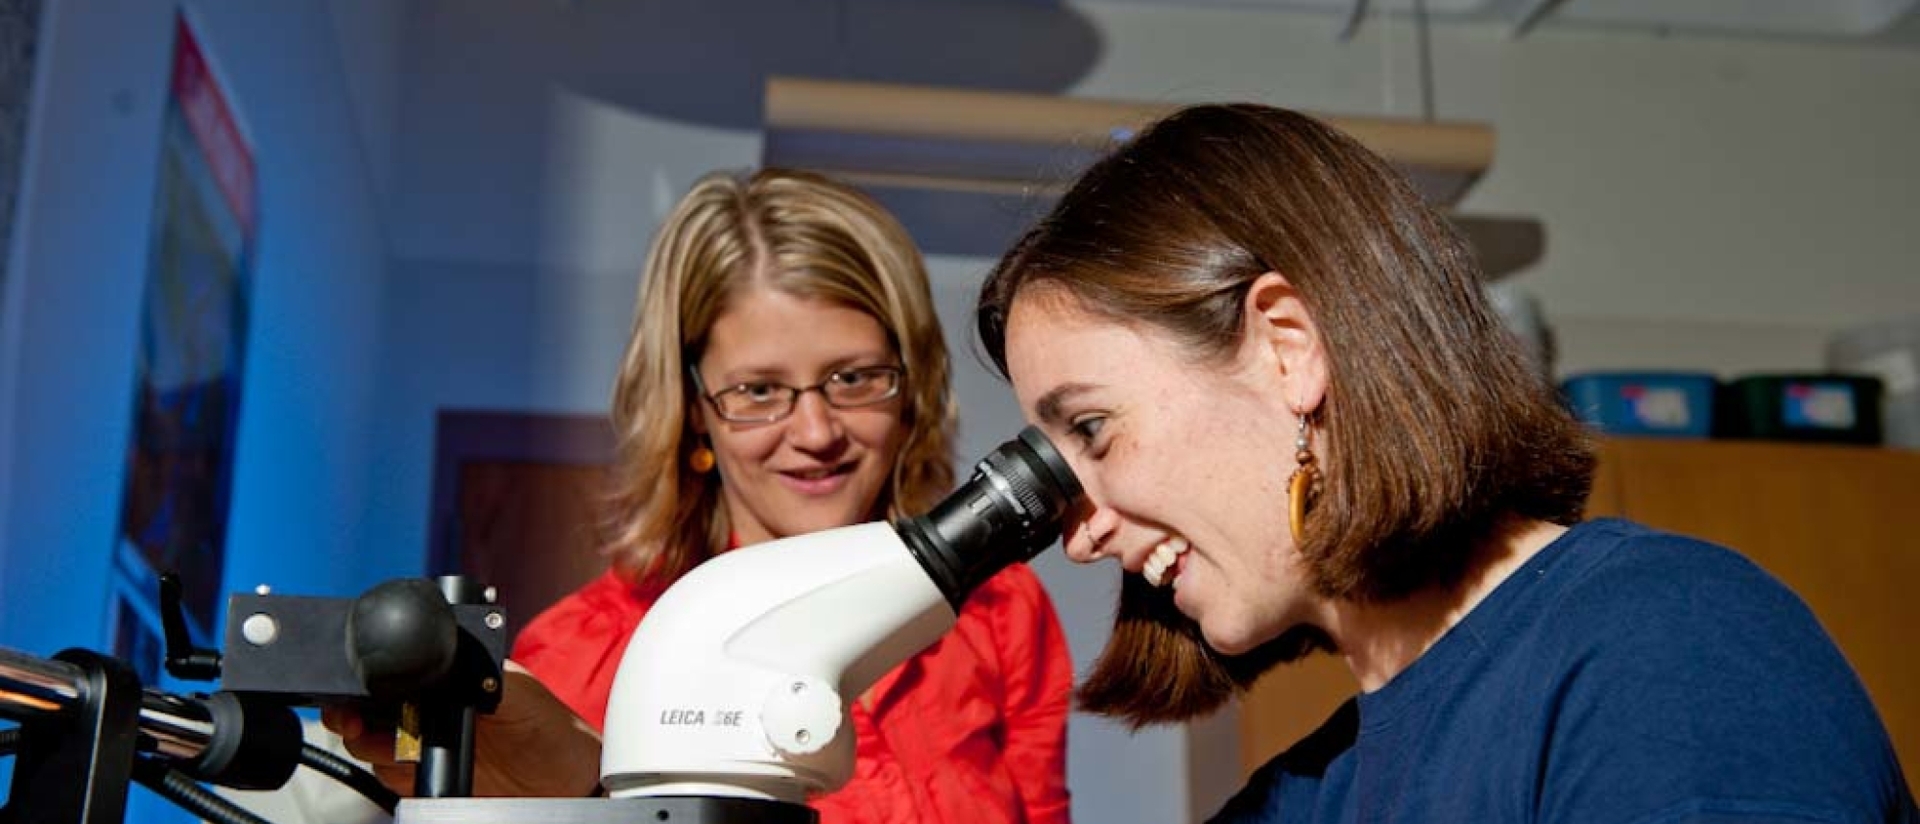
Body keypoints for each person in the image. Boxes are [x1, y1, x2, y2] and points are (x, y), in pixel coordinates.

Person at [973, 103, 1919, 823]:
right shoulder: (1306, 797)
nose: (1079, 532)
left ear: (1287, 346)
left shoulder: (1667, 648)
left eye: (1092, 430)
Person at [336, 167, 1074, 823]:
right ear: (692, 408)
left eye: (853, 378)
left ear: (910, 383)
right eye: (758, 390)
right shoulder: (586, 652)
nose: (816, 431)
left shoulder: (1000, 614)